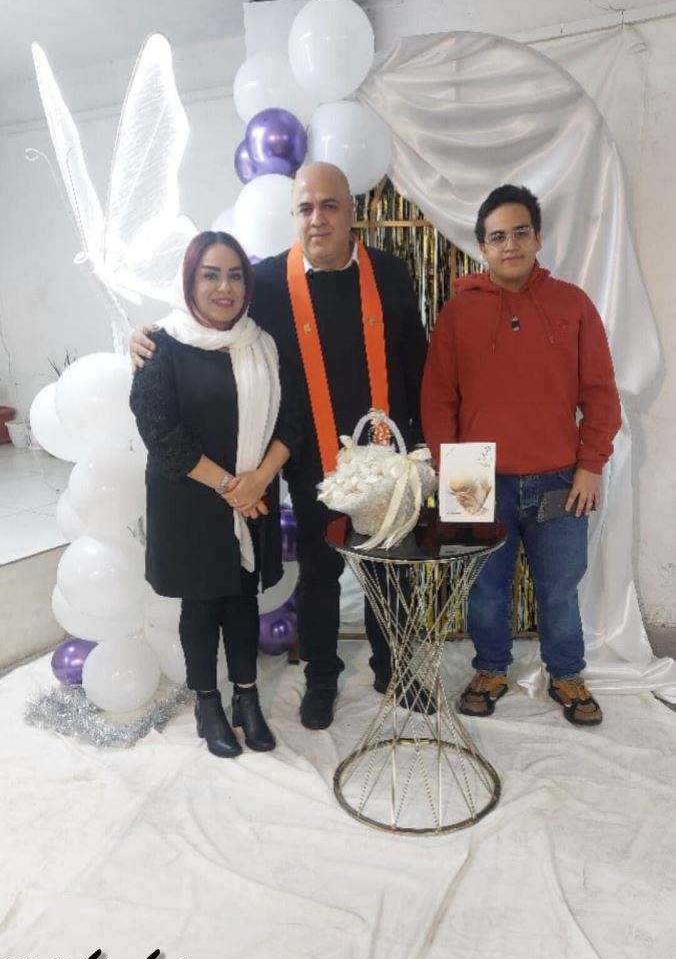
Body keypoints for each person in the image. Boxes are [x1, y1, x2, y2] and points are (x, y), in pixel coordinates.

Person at [130, 162, 429, 731]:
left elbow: (415, 362)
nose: (318, 219)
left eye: (330, 205)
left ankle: (394, 669)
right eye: (305, 208)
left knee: (391, 572)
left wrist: (422, 447)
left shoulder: (390, 273)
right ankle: (322, 678)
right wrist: (143, 336)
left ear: (352, 211)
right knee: (318, 575)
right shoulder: (266, 283)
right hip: (310, 457)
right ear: (294, 215)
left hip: (387, 460)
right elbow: (208, 324)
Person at [421, 184, 622, 726]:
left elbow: (600, 392)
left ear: (537, 238)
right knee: (484, 587)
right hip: (473, 477)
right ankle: (490, 668)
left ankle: (566, 672)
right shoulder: (458, 313)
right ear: (482, 248)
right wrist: (449, 470)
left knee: (559, 586)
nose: (509, 244)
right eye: (497, 237)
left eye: (519, 232)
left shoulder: (572, 305)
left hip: (559, 477)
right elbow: (437, 399)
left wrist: (591, 465)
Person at [130, 231, 297, 758]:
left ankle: (247, 698)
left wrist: (258, 480)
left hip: (254, 493)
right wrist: (232, 487)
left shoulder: (263, 344)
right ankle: (207, 703)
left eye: (235, 275)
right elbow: (161, 434)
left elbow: (294, 418)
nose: (225, 287)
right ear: (190, 281)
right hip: (190, 497)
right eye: (210, 275)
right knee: (202, 602)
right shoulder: (161, 346)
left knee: (243, 597)